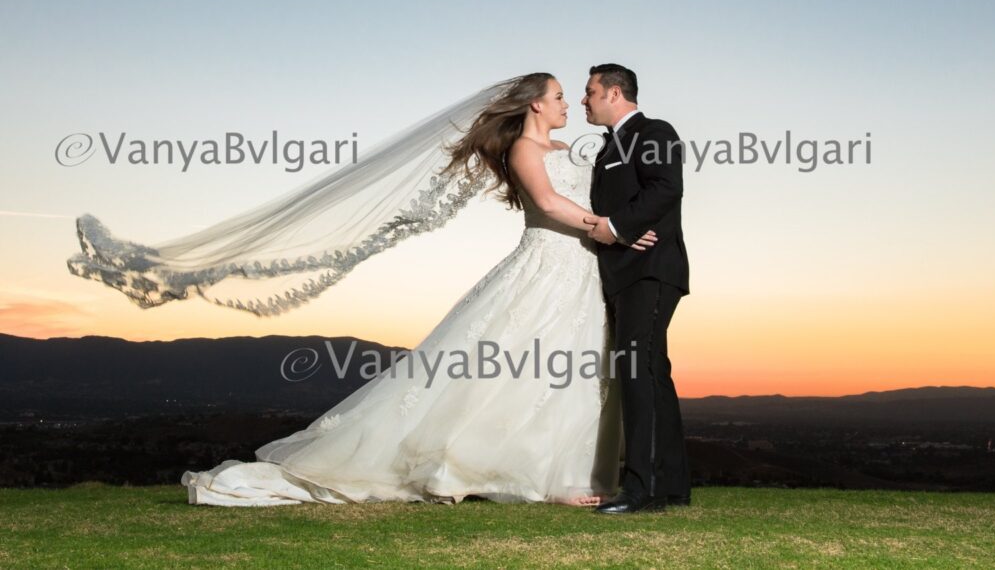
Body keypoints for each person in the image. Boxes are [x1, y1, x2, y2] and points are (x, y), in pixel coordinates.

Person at [179, 73, 661, 507]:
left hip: (584, 270)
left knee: (571, 370)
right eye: (558, 96)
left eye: (574, 96)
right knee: (514, 361)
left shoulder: (576, 151)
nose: (568, 103)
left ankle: (570, 473)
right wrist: (611, 227)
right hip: (546, 264)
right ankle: (528, 477)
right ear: (534, 105)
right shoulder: (524, 150)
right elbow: (548, 202)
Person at [582, 64, 692, 514]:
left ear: (613, 92)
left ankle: (641, 490)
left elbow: (667, 187)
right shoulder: (608, 147)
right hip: (626, 273)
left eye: (589, 92)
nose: (584, 101)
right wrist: (612, 229)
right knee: (651, 373)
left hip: (650, 270)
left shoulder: (654, 131)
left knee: (638, 373)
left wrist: (620, 227)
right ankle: (670, 485)